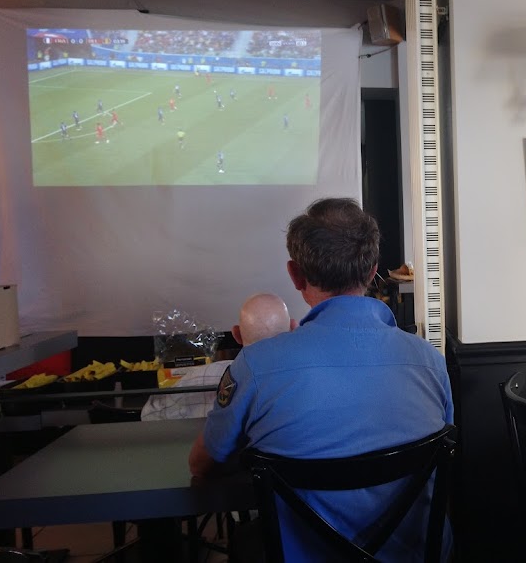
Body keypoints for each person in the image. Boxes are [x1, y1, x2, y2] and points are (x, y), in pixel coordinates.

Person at [189, 198, 454, 561]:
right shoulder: (430, 361)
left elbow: (203, 466)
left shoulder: (256, 365)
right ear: (373, 268)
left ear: (295, 275)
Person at [142, 293, 290, 421]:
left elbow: (148, 415)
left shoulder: (197, 379)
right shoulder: (305, 382)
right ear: (294, 329)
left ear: (236, 335)